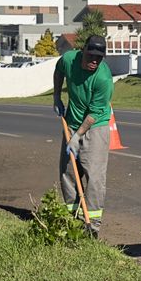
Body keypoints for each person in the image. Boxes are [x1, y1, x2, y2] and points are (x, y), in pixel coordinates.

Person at [52, 35, 112, 237]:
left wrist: (77, 137)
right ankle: (73, 220)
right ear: (83, 50)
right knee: (68, 173)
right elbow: (59, 71)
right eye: (91, 55)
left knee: (94, 177)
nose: (94, 61)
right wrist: (57, 97)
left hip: (95, 127)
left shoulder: (103, 78)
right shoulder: (69, 59)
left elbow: (94, 114)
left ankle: (92, 226)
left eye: (99, 57)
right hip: (71, 122)